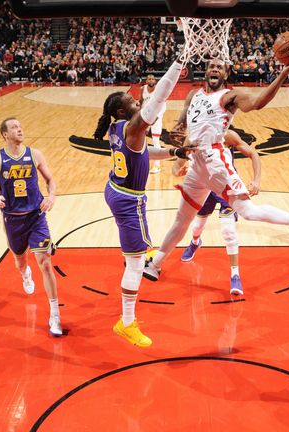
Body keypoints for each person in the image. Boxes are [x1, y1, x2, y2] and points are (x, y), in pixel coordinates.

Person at [143, 55, 289, 282]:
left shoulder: (230, 96)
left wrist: (284, 73)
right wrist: (177, 137)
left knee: (248, 212)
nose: (215, 69)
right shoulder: (193, 96)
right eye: (211, 66)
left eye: (220, 67)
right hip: (197, 163)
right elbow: (181, 127)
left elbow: (258, 102)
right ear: (206, 71)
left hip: (216, 162)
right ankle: (156, 264)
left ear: (226, 73)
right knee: (182, 219)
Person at [95, 56, 194, 348]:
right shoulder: (133, 127)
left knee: (133, 255)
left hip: (115, 189)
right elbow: (160, 95)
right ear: (122, 110)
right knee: (138, 264)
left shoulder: (119, 130)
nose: (139, 100)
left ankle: (130, 257)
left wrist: (176, 153)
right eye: (133, 100)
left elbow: (146, 154)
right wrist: (178, 65)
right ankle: (126, 323)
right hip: (128, 199)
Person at [0, 117, 62, 337]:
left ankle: (55, 314)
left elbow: (51, 180)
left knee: (45, 262)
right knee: (20, 260)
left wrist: (51, 195)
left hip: (36, 216)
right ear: (5, 134)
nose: (20, 130)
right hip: (12, 219)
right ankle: (25, 274)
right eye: (15, 127)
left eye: (20, 127)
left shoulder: (35, 154)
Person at [175, 128, 261, 295]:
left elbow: (254, 154)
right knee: (197, 226)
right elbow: (185, 162)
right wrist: (183, 170)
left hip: (226, 185)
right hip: (205, 185)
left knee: (228, 231)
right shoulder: (194, 136)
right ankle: (195, 242)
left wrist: (256, 180)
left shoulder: (227, 135)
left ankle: (235, 274)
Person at [140, 74, 166, 174]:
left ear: (155, 81)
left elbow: (163, 105)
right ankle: (142, 164)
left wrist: (157, 117)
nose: (151, 80)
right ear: (146, 81)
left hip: (156, 117)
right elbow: (141, 102)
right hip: (145, 116)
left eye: (152, 79)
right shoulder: (142, 89)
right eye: (149, 79)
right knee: (141, 141)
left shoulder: (159, 90)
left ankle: (157, 166)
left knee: (155, 141)